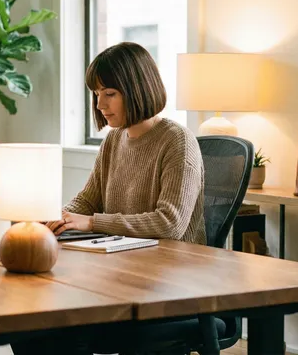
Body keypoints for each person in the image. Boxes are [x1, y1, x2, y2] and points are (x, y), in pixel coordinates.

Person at [46, 41, 206, 245]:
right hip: (126, 255)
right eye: (97, 94)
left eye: (109, 94)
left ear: (137, 89)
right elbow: (87, 201)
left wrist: (92, 223)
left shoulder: (178, 142)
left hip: (174, 264)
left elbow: (169, 223)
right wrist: (58, 218)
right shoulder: (113, 140)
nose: (100, 104)